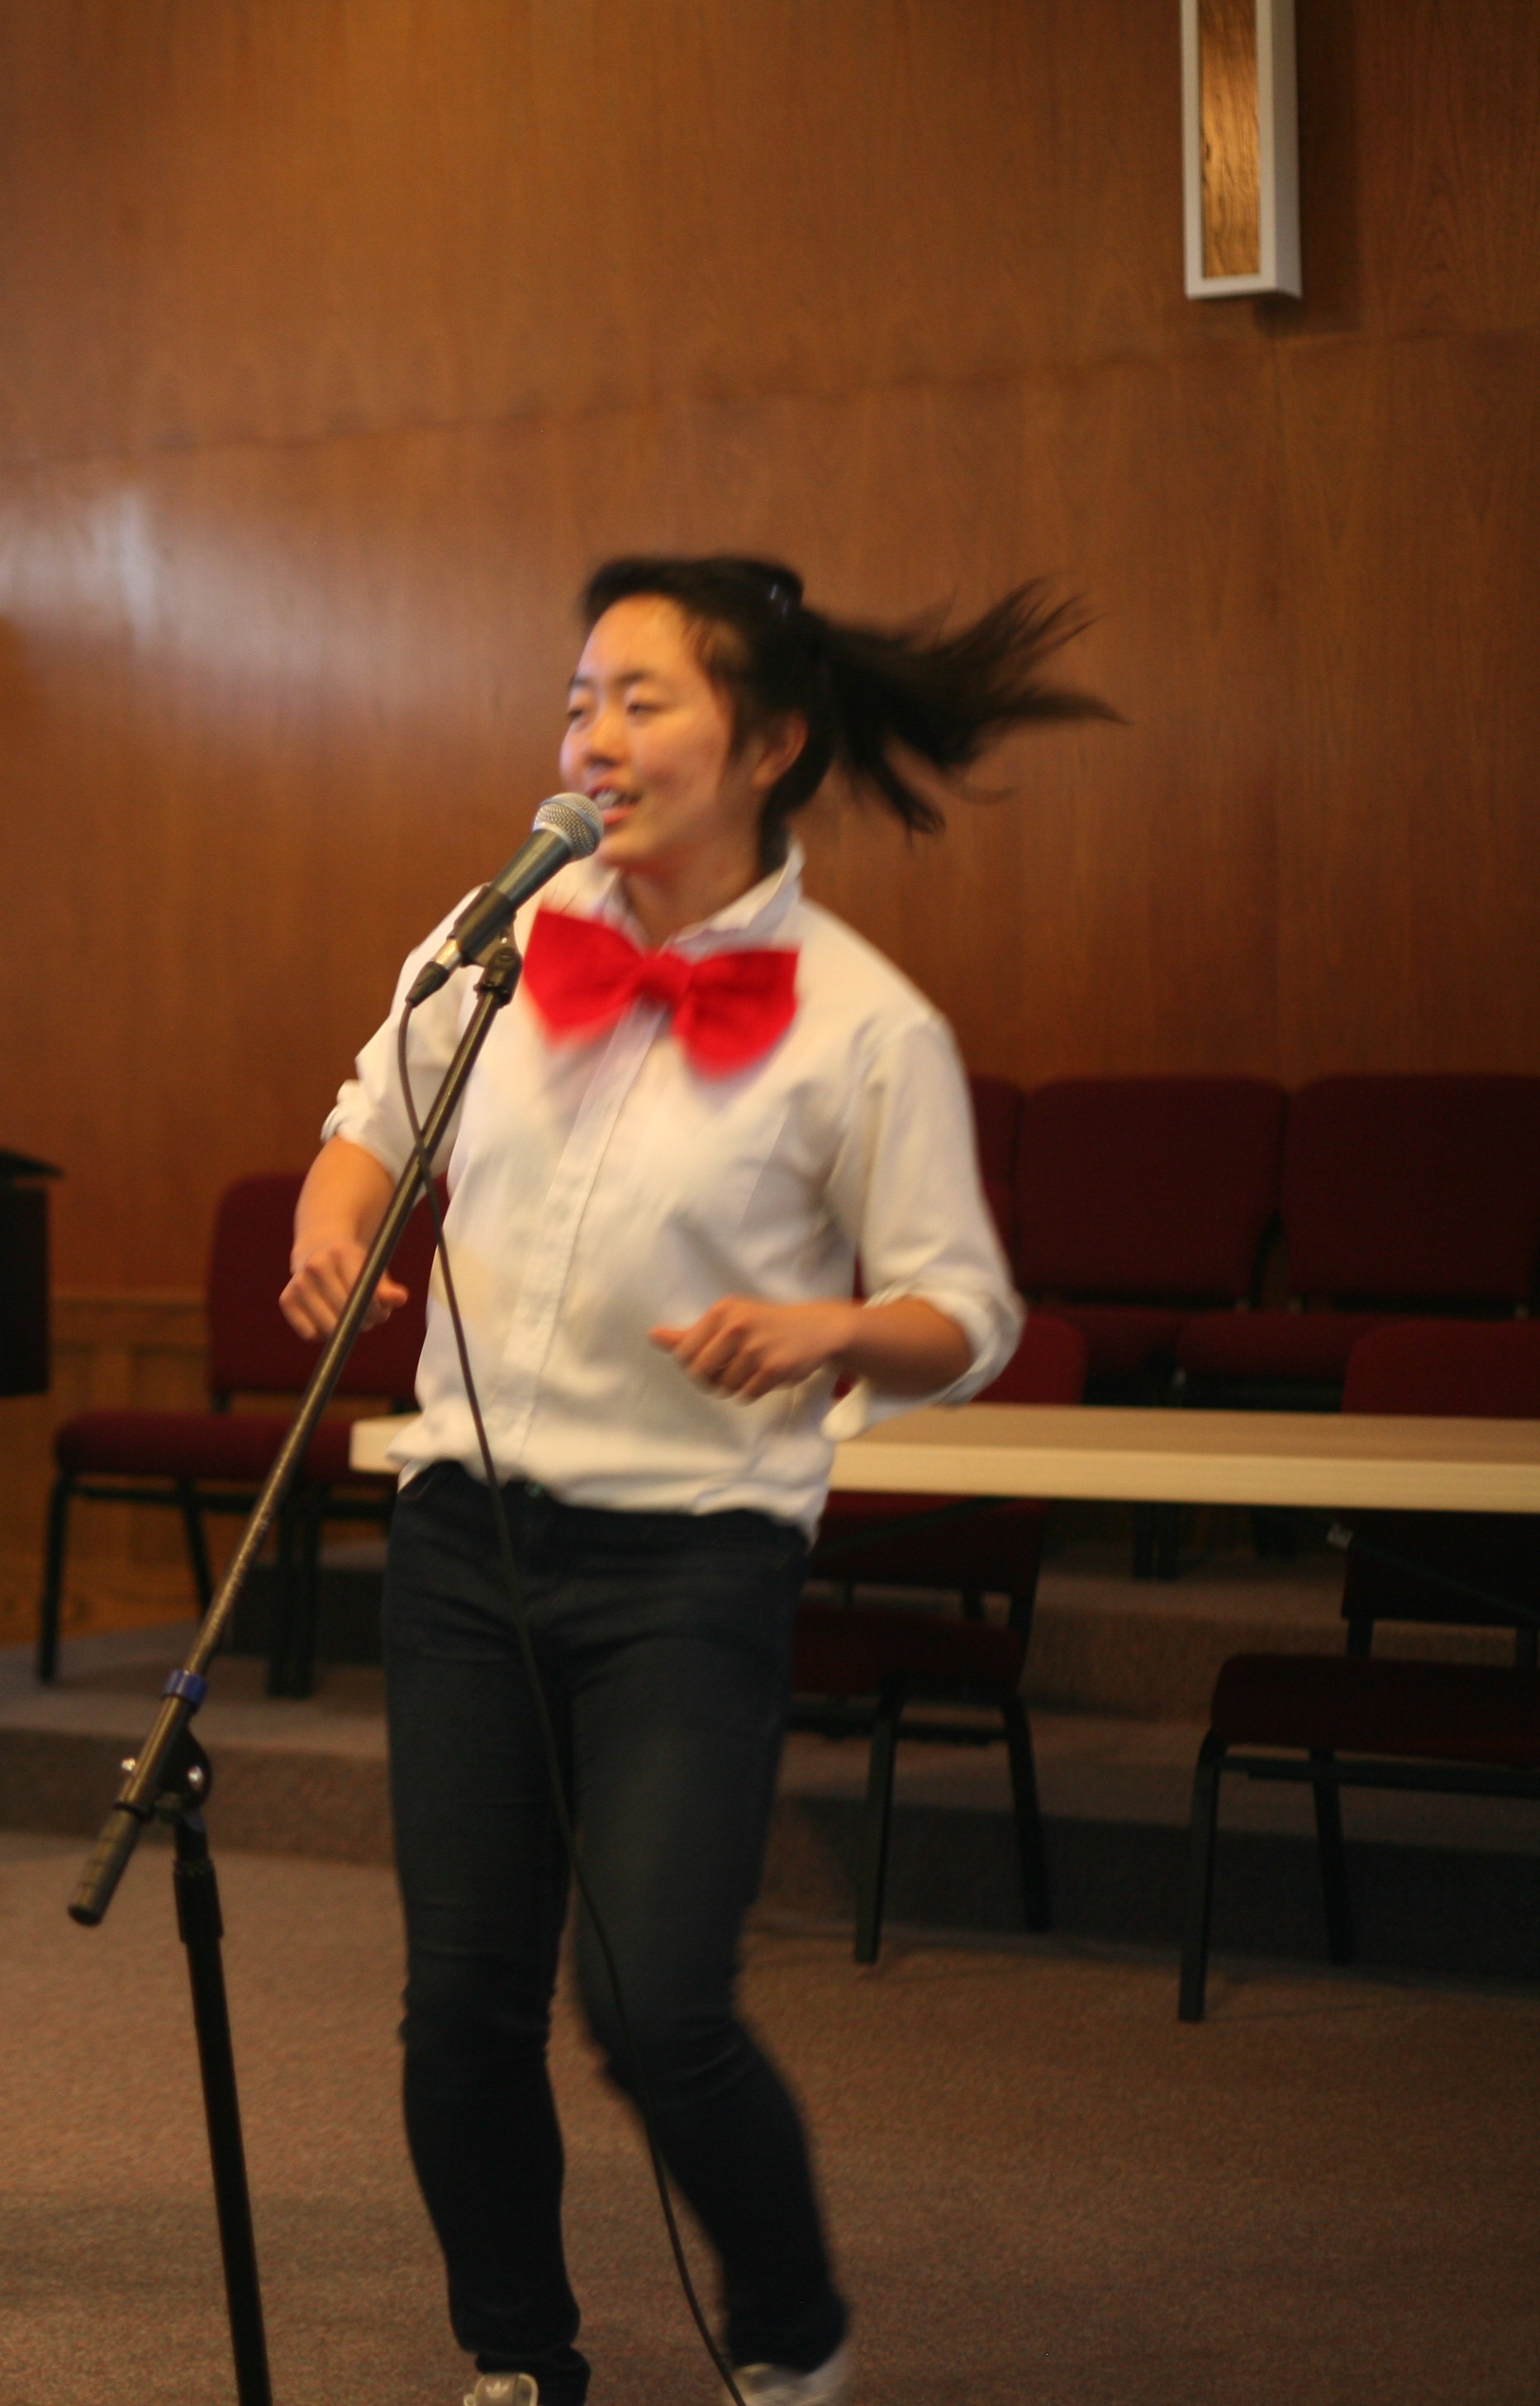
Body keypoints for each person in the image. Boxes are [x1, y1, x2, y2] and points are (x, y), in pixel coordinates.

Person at [282, 559, 1109, 2406]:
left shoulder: (861, 1020)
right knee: (461, 2005)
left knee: (653, 2000)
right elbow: (367, 1124)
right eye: (581, 697)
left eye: (643, 700)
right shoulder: (497, 940)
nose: (595, 735)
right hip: (464, 1534)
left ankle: (792, 2328)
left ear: (772, 741)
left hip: (691, 1561)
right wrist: (337, 1230)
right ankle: (517, 2355)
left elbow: (967, 1315)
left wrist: (829, 1329)